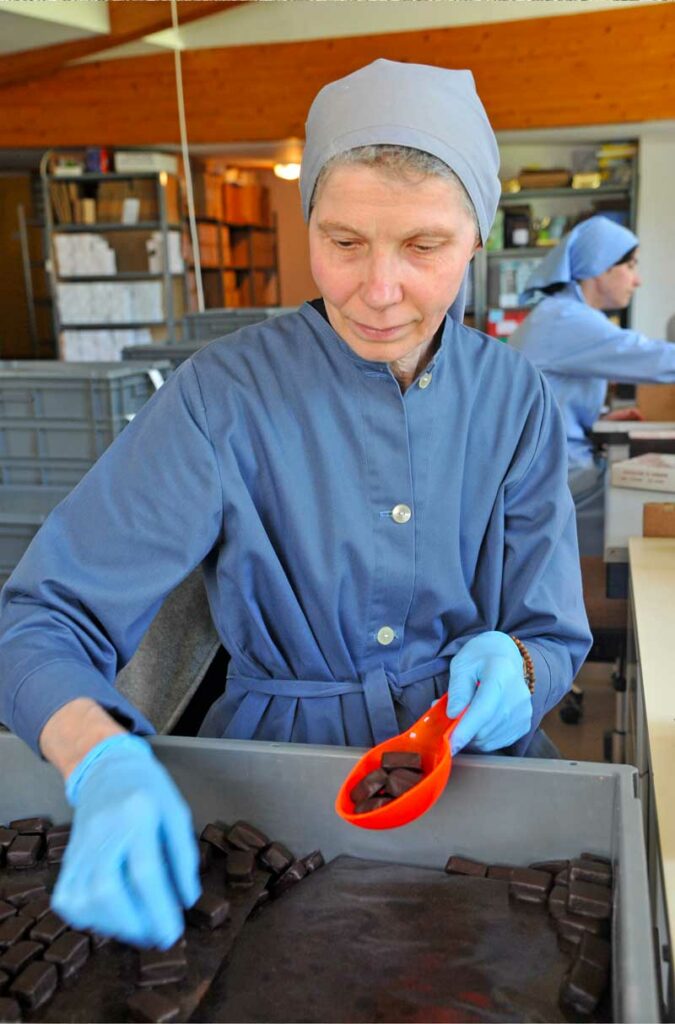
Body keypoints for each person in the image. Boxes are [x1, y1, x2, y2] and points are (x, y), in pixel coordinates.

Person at [0, 59, 591, 950]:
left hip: (470, 773)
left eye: (423, 246)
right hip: (265, 789)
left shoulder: (517, 402)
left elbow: (550, 636)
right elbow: (40, 618)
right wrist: (101, 757)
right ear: (307, 221)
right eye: (342, 241)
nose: (378, 289)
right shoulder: (219, 398)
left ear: (478, 237)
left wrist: (522, 669)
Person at [510, 215, 675, 558]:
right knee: (653, 499)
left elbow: (552, 399)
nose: (637, 279)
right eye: (630, 266)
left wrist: (592, 423)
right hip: (550, 475)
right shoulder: (566, 319)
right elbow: (654, 360)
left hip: (548, 463)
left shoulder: (561, 314)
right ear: (600, 268)